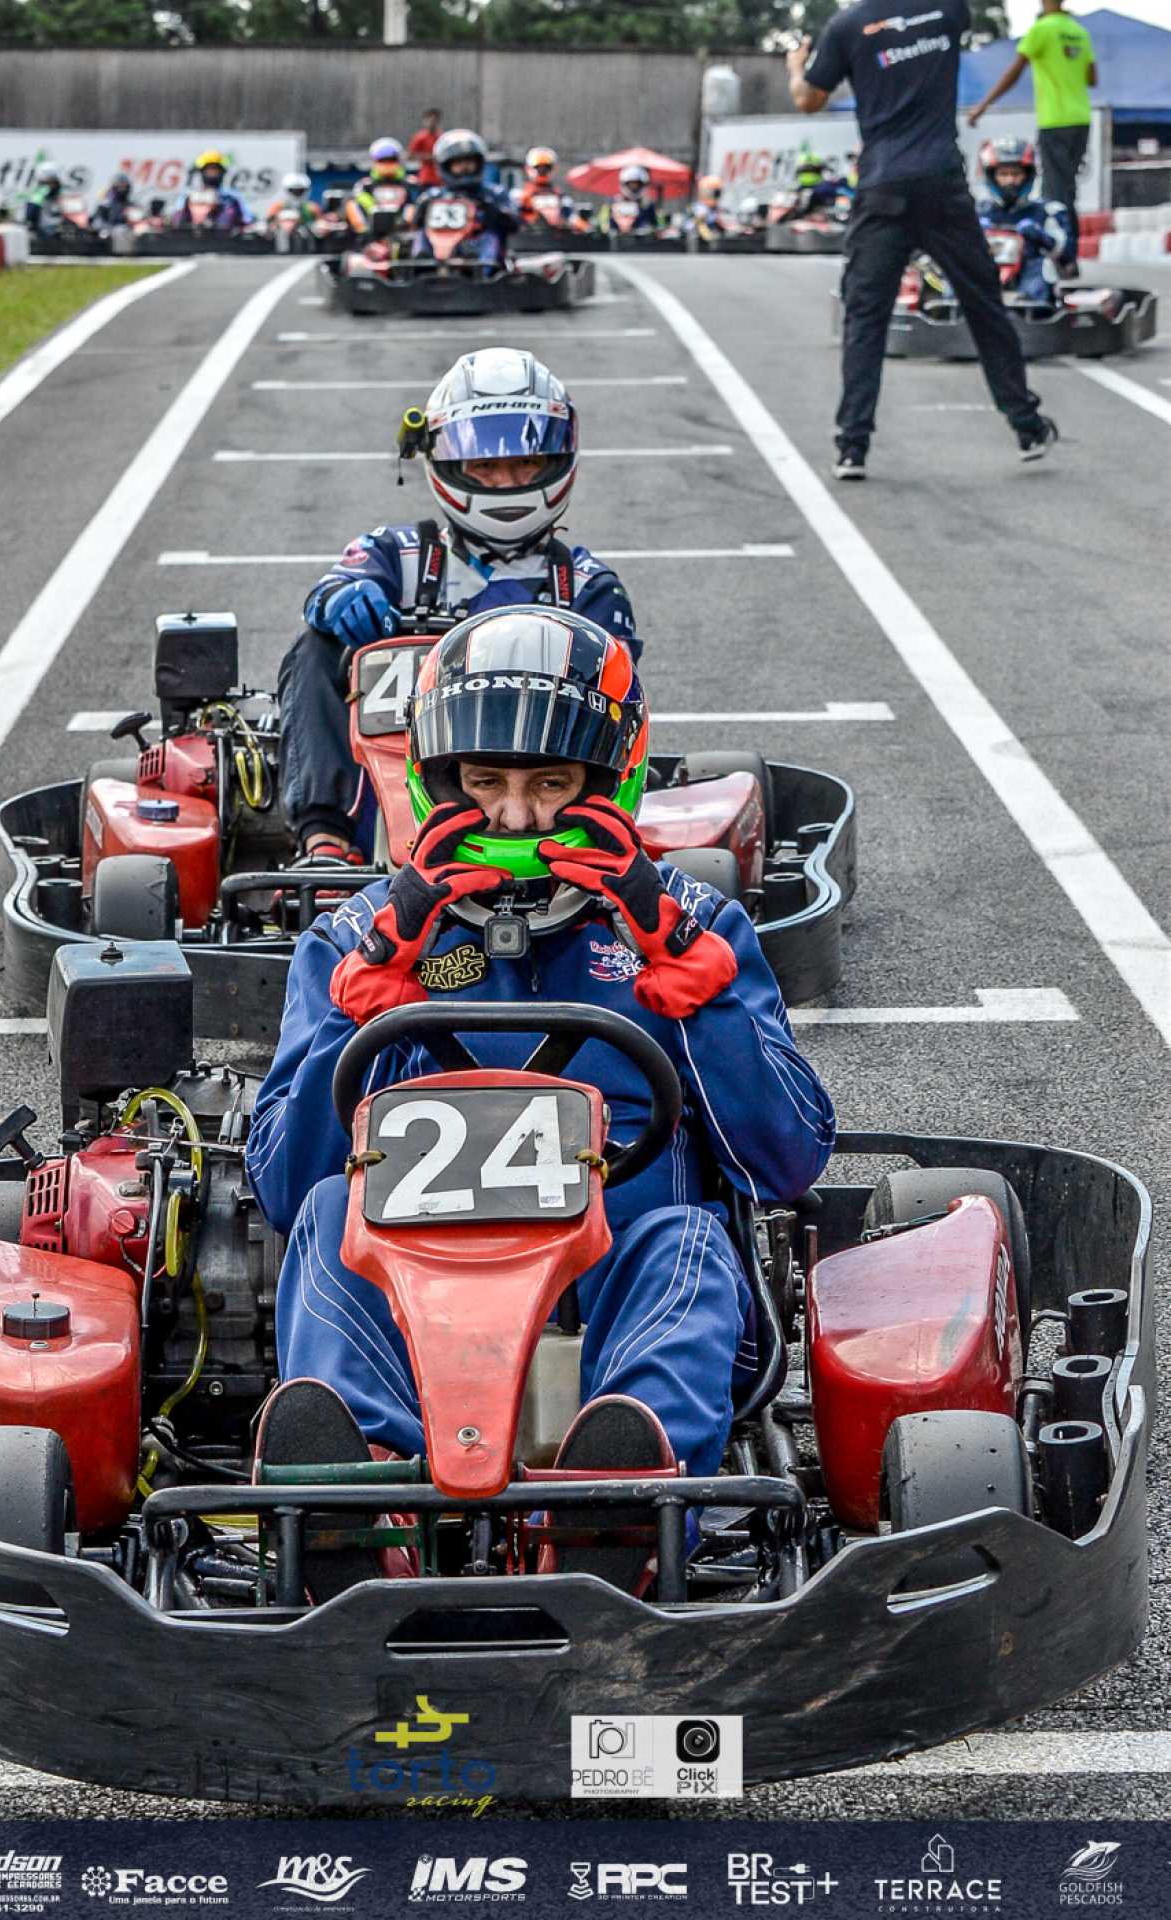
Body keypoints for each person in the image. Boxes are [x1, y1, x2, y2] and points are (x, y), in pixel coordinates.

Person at [247, 606, 836, 1597]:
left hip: (619, 1271)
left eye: (551, 785)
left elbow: (789, 1160)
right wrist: (367, 1001)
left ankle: (619, 1503)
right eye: (486, 782)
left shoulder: (692, 924)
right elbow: (279, 1183)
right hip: (413, 1290)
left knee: (689, 1241)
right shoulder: (355, 938)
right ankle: (360, 1505)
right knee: (327, 1208)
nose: (516, 817)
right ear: (439, 779)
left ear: (610, 782)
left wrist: (695, 989)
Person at [278, 348, 639, 861]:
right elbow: (329, 592)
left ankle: (581, 844)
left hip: (532, 789)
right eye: (486, 465)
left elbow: (620, 708)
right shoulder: (397, 554)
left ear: (556, 462)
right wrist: (345, 599)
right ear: (447, 463)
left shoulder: (584, 584)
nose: (506, 481)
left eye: (525, 463)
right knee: (317, 645)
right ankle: (326, 844)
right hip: (405, 770)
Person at [788, 0, 1059, 478]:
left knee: (866, 316)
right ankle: (1026, 425)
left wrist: (796, 67)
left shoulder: (847, 26)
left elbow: (808, 99)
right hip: (940, 184)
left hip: (882, 186)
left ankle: (852, 446)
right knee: (983, 304)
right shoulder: (947, 10)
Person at [968, 0, 1096, 263]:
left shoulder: (1041, 29)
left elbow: (1013, 72)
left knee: (1054, 190)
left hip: (1055, 118)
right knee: (1068, 188)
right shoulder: (1079, 31)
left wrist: (982, 106)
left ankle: (1063, 256)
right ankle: (1070, 252)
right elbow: (1092, 78)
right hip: (1081, 117)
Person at [976, 136, 1072, 304]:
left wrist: (1042, 237)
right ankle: (951, 307)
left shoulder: (1047, 211)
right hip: (985, 273)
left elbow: (1067, 255)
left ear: (1027, 175)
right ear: (992, 176)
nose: (1010, 180)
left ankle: (1031, 307)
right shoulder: (978, 212)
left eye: (1016, 174)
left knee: (1042, 265)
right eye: (1003, 174)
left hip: (1028, 276)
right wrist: (975, 233)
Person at [411, 128, 519, 270]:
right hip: (439, 249)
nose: (465, 167)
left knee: (491, 235)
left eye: (469, 162)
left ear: (478, 163)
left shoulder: (494, 193)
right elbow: (415, 223)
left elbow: (515, 223)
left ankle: (483, 269)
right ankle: (421, 268)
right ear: (446, 166)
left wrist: (489, 208)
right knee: (421, 234)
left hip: (477, 247)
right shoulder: (432, 196)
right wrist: (421, 210)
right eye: (459, 163)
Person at [344, 138, 412, 239]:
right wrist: (376, 211)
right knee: (351, 205)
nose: (387, 164)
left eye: (391, 160)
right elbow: (360, 202)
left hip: (401, 228)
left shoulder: (409, 184)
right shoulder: (364, 185)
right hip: (370, 230)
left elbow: (414, 206)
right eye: (383, 161)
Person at [169, 150, 254, 230]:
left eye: (215, 170)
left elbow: (247, 219)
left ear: (222, 172)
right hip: (189, 237)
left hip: (224, 237)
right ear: (202, 172)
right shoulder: (188, 196)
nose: (212, 174)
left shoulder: (232, 198)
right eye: (209, 170)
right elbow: (176, 218)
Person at [596, 163, 666, 234]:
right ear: (624, 183)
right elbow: (603, 225)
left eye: (637, 184)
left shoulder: (647, 205)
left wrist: (659, 210)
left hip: (642, 240)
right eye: (631, 184)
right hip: (615, 239)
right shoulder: (613, 202)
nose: (634, 187)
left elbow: (658, 226)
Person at [408, 108, 444, 190]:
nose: (431, 123)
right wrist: (427, 157)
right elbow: (410, 156)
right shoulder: (420, 137)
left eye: (434, 120)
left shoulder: (441, 137)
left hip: (440, 178)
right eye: (429, 120)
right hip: (426, 178)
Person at [22, 164, 63, 233]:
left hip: (58, 228)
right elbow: (30, 213)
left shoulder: (60, 192)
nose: (51, 185)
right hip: (44, 229)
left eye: (53, 182)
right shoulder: (40, 193)